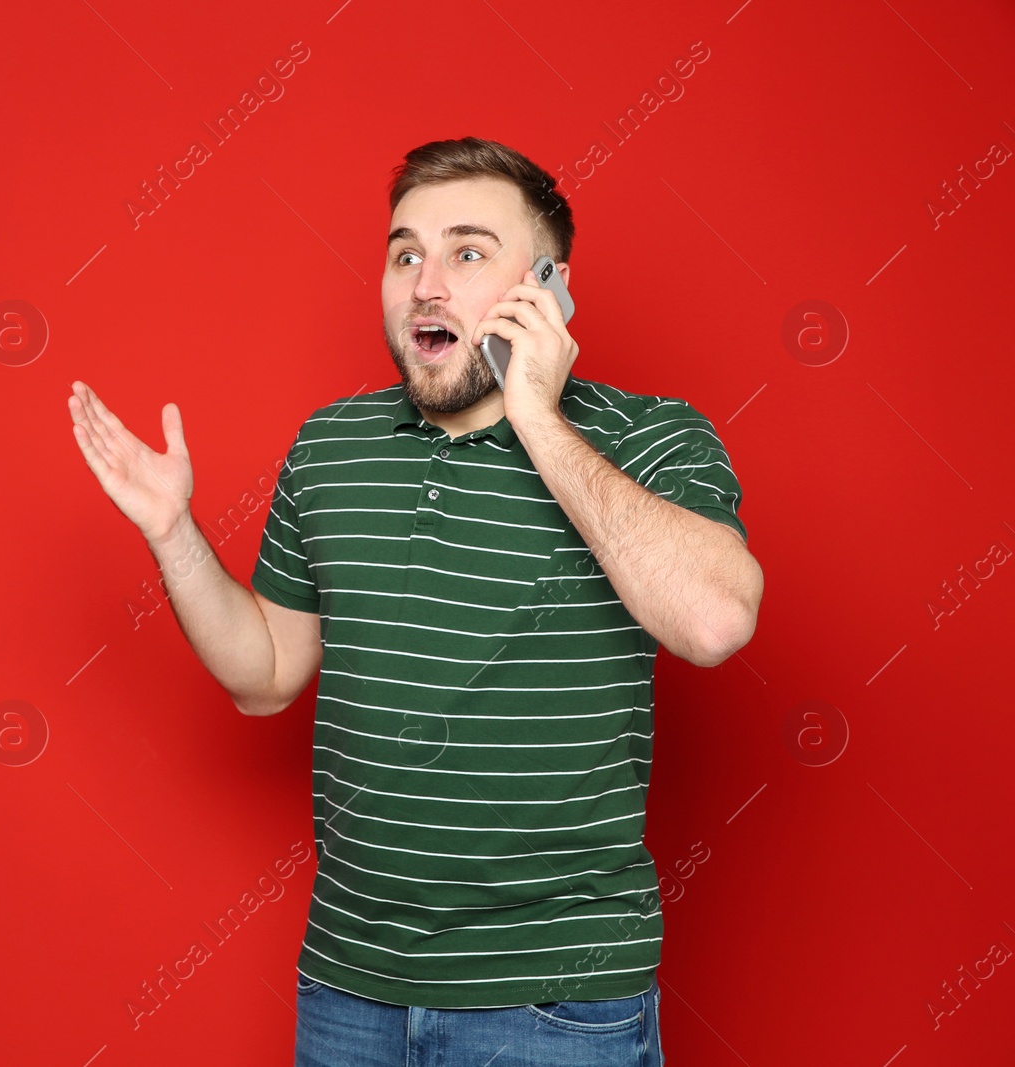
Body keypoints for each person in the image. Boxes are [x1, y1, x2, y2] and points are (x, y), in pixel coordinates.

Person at [67, 136, 763, 1067]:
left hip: (552, 1005)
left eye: (469, 252)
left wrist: (539, 420)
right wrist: (172, 531)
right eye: (405, 255)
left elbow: (715, 621)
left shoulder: (648, 436)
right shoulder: (330, 446)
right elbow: (266, 675)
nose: (425, 284)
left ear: (549, 287)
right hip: (349, 993)